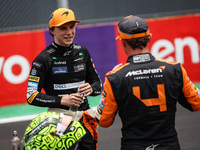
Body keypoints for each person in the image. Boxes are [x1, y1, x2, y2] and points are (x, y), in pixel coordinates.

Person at [95, 15, 200, 150]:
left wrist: (106, 88)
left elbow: (103, 120)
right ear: (149, 37)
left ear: (123, 42)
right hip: (169, 145)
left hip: (134, 146)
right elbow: (196, 103)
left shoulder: (115, 77)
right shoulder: (174, 69)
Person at [26, 8, 102, 150]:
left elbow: (98, 84)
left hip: (85, 117)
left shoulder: (82, 51)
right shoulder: (43, 59)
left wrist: (91, 88)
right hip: (58, 120)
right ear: (52, 30)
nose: (69, 32)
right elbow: (31, 96)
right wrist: (61, 100)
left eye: (72, 27)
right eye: (63, 28)